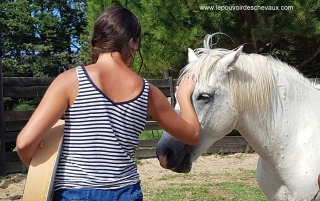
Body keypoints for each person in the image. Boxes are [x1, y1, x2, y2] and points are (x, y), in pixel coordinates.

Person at [16, 6, 200, 201]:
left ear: (98, 40)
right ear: (132, 42)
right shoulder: (148, 92)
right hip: (126, 193)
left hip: (73, 193)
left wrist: (42, 173)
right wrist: (183, 97)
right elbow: (193, 135)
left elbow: (24, 142)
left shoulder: (69, 81)